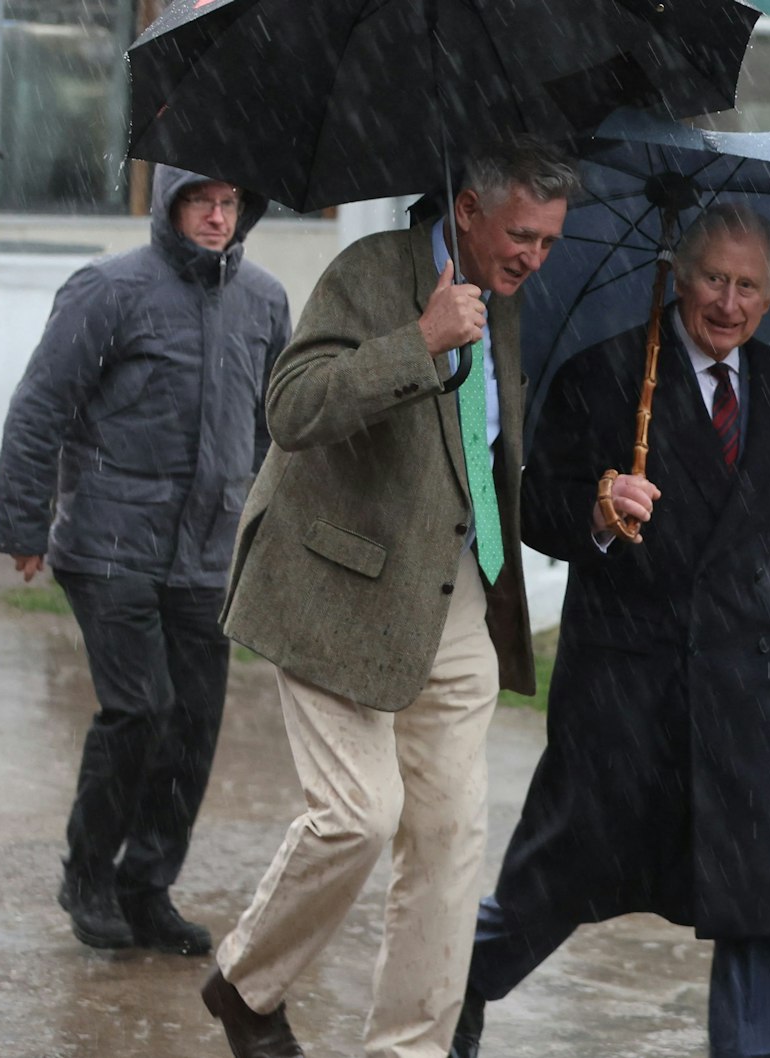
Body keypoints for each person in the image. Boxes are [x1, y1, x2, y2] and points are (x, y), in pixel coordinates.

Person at [199, 136, 575, 1058]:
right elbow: (291, 408)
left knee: (449, 843)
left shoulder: (510, 303)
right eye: (522, 234)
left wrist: (593, 504)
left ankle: (408, 1050)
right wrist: (419, 341)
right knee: (359, 817)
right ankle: (247, 984)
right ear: (470, 209)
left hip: (456, 598)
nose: (534, 256)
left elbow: (487, 457)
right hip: (333, 585)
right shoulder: (370, 272)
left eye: (552, 242)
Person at [451, 204, 770, 1058]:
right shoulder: (605, 374)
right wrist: (602, 511)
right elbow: (532, 507)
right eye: (714, 280)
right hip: (624, 690)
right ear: (681, 278)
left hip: (739, 690)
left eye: (748, 286)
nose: (728, 303)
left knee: (757, 904)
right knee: (555, 885)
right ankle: (457, 982)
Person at [0, 166, 289, 956]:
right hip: (109, 543)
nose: (219, 217)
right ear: (169, 204)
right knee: (140, 710)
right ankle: (88, 873)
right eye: (203, 201)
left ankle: (146, 885)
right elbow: (41, 404)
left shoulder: (263, 300)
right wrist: (24, 522)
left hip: (206, 550)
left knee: (193, 725)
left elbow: (270, 428)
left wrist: (261, 531)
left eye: (232, 202)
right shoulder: (108, 289)